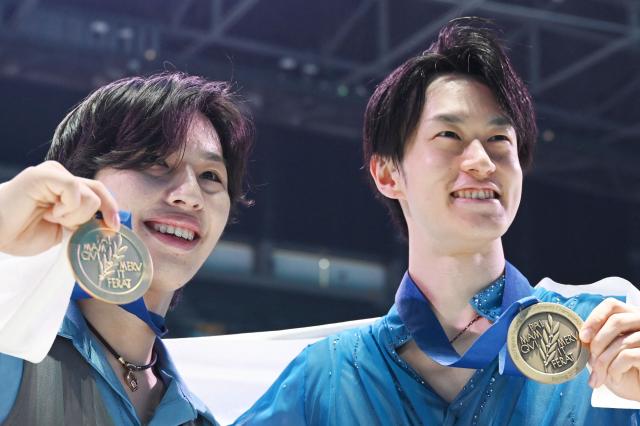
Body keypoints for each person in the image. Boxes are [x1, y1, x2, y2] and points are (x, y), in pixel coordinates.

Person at [235, 18, 640, 425]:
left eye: (499, 140)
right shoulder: (326, 378)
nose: (482, 162)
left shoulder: (605, 338)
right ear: (388, 175)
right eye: (449, 135)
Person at [0, 72, 253, 425]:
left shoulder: (198, 419)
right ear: (79, 180)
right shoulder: (11, 345)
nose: (190, 195)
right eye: (156, 161)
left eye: (211, 175)